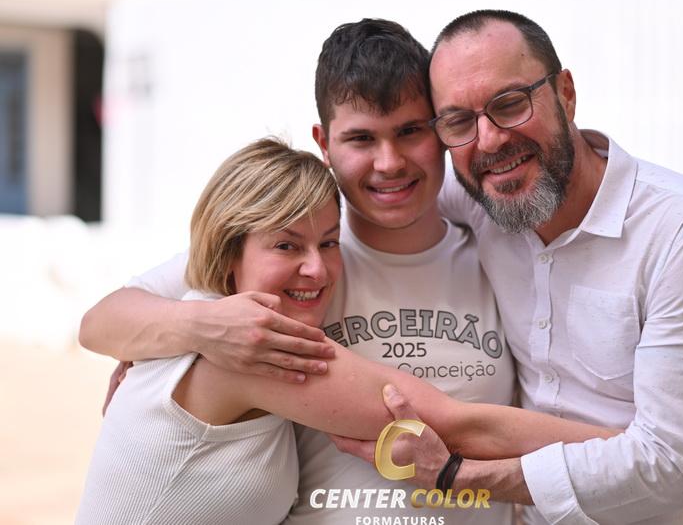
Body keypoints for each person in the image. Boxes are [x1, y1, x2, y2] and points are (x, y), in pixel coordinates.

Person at [79, 19, 683, 524]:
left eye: (413, 131)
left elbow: (660, 230)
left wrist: (668, 451)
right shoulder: (295, 251)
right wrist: (193, 327)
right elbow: (110, 315)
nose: (390, 165)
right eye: (361, 139)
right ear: (325, 143)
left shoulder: (487, 212)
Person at [335, 10, 683, 524]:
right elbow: (368, 183)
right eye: (458, 121)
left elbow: (666, 471)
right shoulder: (482, 189)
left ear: (565, 93)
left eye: (510, 103)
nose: (489, 140)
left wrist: (458, 476)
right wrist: (243, 300)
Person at [77, 137, 635, 525]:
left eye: (328, 242)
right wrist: (636, 450)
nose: (316, 269)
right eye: (286, 245)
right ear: (228, 255)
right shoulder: (247, 346)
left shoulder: (203, 323)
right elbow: (455, 423)